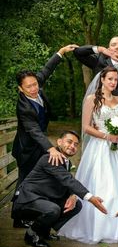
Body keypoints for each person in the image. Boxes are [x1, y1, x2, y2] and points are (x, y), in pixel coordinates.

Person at [58, 66, 118, 243]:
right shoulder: (92, 99)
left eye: (116, 80)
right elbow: (86, 127)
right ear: (102, 80)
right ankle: (97, 226)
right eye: (110, 79)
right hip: (100, 146)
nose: (114, 82)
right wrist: (107, 136)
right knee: (101, 183)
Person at [11, 44, 78, 228]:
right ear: (20, 89)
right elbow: (33, 130)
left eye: (35, 84)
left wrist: (61, 52)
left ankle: (38, 208)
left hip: (38, 146)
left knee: (39, 179)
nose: (33, 88)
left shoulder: (37, 84)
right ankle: (18, 217)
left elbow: (47, 69)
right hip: (26, 148)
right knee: (24, 181)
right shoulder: (23, 107)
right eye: (29, 86)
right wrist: (51, 148)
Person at [12, 130, 107, 247]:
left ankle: (44, 230)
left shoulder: (66, 161)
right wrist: (91, 198)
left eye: (76, 144)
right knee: (53, 209)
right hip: (27, 199)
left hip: (44, 198)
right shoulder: (50, 158)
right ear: (59, 142)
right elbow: (68, 180)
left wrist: (72, 195)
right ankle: (31, 234)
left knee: (76, 205)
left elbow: (65, 182)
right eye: (69, 142)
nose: (72, 146)